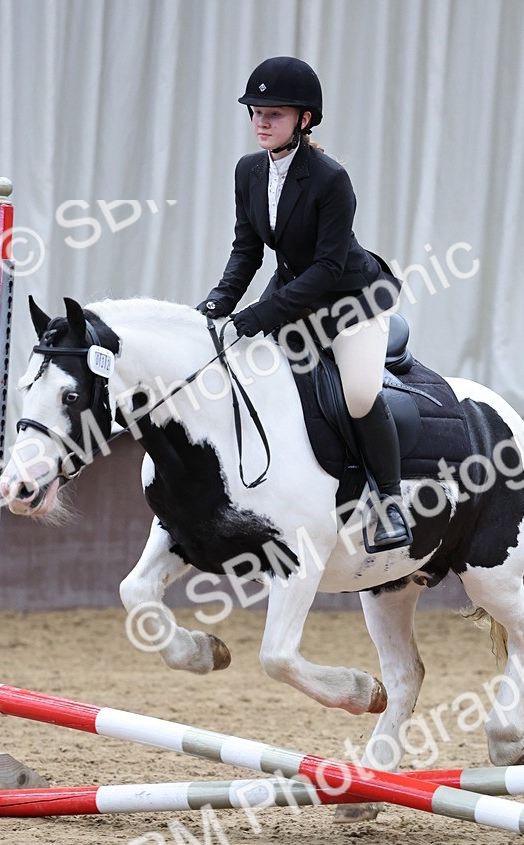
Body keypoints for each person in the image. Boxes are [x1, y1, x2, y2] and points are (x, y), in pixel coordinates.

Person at [197, 56, 410, 550]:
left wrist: (258, 315)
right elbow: (247, 251)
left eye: (274, 113)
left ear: (304, 119)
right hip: (294, 292)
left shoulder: (331, 178)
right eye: (256, 112)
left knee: (359, 394)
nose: (261, 122)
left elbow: (328, 268)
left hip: (350, 301)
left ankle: (390, 502)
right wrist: (216, 304)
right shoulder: (249, 171)